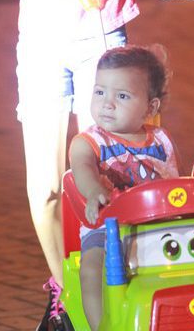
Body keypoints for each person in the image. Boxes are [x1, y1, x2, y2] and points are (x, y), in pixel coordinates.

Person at [0, 0, 139, 327]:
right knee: (45, 188)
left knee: (110, 175)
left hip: (100, 28)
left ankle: (116, 289)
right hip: (41, 43)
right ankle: (67, 296)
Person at [69, 45, 180, 330]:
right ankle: (101, 326)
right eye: (100, 92)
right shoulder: (88, 143)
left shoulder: (161, 140)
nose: (107, 103)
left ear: (150, 108)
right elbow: (82, 168)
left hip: (156, 225)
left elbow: (172, 183)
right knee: (92, 268)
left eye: (122, 96)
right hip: (108, 227)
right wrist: (94, 191)